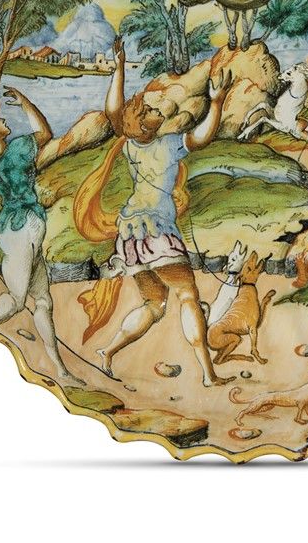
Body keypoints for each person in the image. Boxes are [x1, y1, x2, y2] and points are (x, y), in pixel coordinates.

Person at [73, 38, 235, 387]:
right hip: (158, 231)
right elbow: (202, 137)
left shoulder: (130, 145)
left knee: (154, 304)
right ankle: (208, 374)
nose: (158, 110)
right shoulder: (169, 144)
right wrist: (217, 102)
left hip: (130, 236)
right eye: (151, 110)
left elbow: (114, 111)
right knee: (188, 295)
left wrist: (119, 68)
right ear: (145, 123)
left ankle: (107, 352)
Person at [0, 88, 82, 384]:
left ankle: (61, 371)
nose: (4, 120)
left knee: (44, 302)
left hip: (26, 228)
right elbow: (45, 132)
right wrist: (26, 102)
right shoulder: (18, 149)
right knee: (16, 300)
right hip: (20, 231)